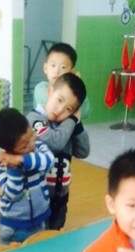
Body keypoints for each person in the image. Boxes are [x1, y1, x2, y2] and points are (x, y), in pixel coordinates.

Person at [27, 72, 90, 230]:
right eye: (59, 100)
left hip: (60, 197)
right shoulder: (34, 119)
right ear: (49, 92)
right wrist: (72, 120)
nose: (60, 110)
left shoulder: (67, 126)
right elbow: (55, 143)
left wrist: (77, 124)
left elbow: (83, 151)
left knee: (56, 233)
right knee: (38, 237)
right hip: (37, 198)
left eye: (69, 109)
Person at [0, 107, 54, 244]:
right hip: (12, 226)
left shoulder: (39, 148)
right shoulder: (0, 165)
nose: (31, 144)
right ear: (8, 149)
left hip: (39, 218)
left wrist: (21, 159)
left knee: (37, 250)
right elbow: (14, 194)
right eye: (24, 146)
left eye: (31, 135)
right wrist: (14, 169)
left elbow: (49, 161)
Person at [33, 42, 90, 121]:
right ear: (46, 68)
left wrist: (78, 85)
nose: (56, 71)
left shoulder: (71, 93)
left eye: (63, 67)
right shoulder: (39, 89)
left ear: (71, 72)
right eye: (53, 65)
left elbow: (85, 113)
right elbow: (36, 112)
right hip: (43, 127)